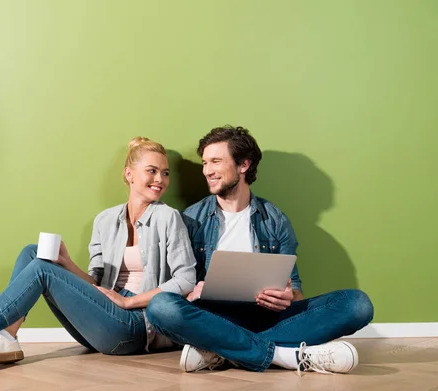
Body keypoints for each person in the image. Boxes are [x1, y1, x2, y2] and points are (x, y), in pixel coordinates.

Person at [0, 137, 196, 372]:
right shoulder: (105, 220)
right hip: (103, 318)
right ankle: (7, 337)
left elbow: (185, 279)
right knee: (34, 253)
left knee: (43, 271)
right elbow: (94, 283)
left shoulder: (169, 218)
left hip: (135, 327)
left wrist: (128, 300)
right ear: (129, 174)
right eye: (152, 170)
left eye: (165, 172)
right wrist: (67, 264)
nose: (160, 179)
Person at [145, 125, 374, 376]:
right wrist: (192, 293)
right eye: (205, 163)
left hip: (268, 317)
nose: (207, 171)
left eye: (216, 161)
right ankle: (285, 356)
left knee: (357, 304)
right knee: (160, 306)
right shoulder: (191, 219)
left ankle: (223, 351)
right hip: (213, 318)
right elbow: (180, 281)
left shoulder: (275, 220)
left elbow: (295, 289)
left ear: (243, 165)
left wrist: (288, 296)